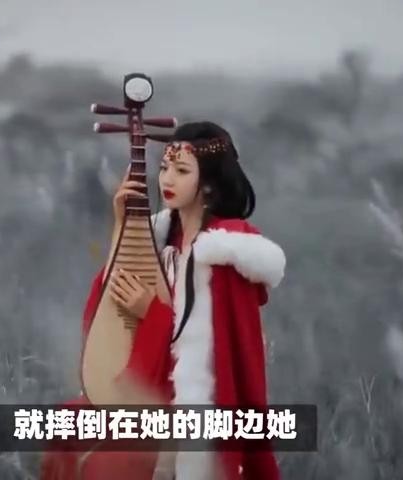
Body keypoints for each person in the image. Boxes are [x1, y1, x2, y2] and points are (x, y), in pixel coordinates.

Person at [40, 121, 286, 480]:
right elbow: (106, 311)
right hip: (147, 382)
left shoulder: (226, 250)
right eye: (165, 168)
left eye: (182, 171)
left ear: (209, 184)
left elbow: (217, 352)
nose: (167, 179)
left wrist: (151, 312)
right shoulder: (159, 238)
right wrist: (123, 225)